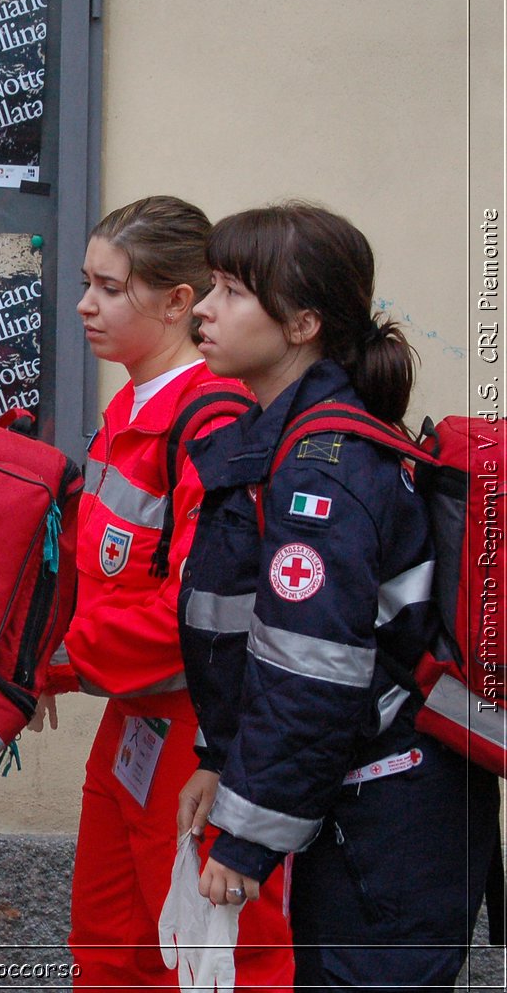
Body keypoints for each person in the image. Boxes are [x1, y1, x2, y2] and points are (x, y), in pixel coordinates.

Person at [177, 203, 499, 989]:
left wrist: (249, 842)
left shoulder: (323, 469)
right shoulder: (290, 439)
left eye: (231, 290)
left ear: (303, 324)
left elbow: (311, 674)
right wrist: (221, 759)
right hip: (374, 810)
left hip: (394, 824)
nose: (205, 309)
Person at [41, 197, 293, 989]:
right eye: (87, 282)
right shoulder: (134, 407)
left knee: (216, 958)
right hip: (134, 721)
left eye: (111, 288)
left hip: (196, 728)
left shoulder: (208, 422)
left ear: (179, 301)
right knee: (113, 946)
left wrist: (59, 653)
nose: (85, 304)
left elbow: (198, 608)